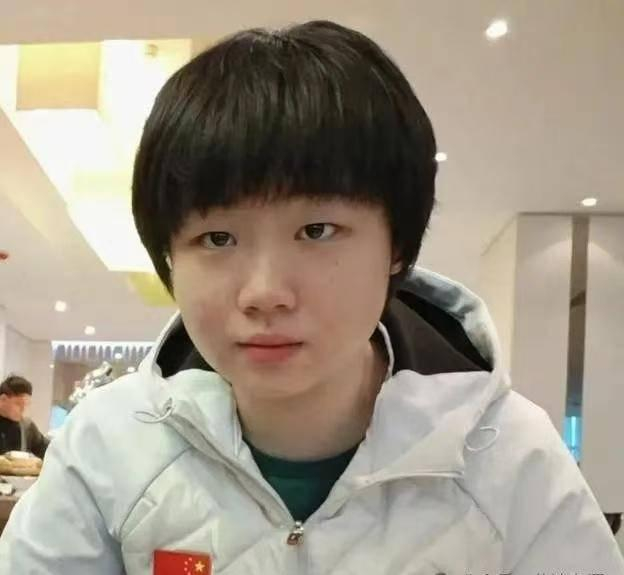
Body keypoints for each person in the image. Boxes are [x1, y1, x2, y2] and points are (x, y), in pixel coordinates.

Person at [1, 20, 622, 574]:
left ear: (397, 247)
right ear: (169, 256)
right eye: (217, 238)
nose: (265, 293)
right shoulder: (107, 447)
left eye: (317, 230)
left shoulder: (510, 458)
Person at [0, 375, 48, 459]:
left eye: (26, 404)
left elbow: (47, 451)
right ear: (3, 399)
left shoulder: (27, 427)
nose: (23, 409)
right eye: (18, 404)